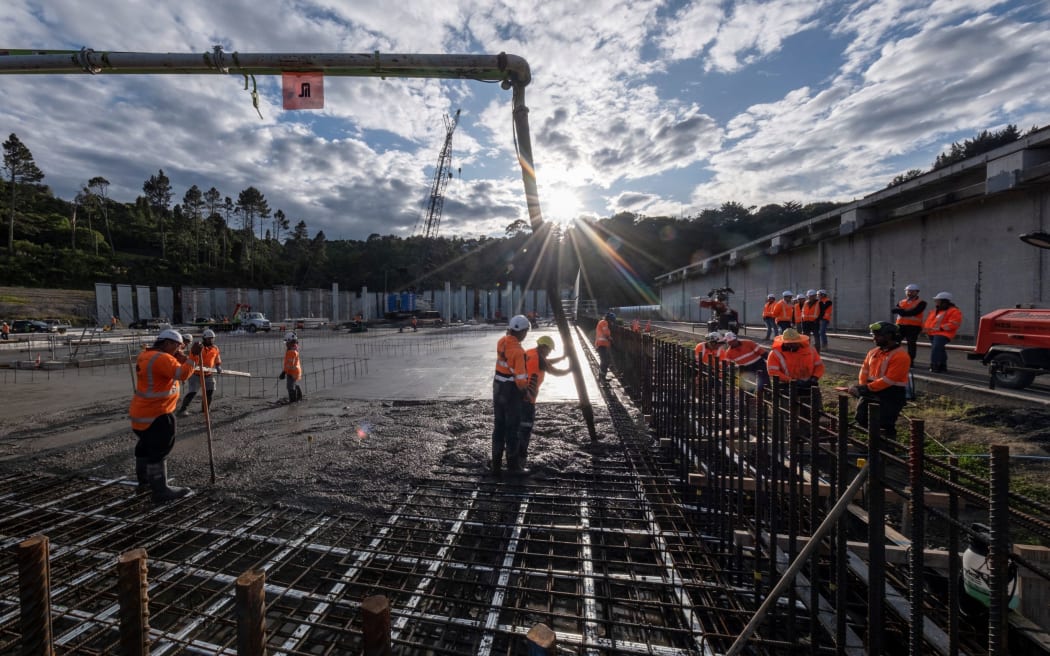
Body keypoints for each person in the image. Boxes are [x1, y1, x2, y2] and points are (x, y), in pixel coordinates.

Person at [128, 329, 196, 503]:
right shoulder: (162, 358)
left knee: (145, 446)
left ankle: (144, 480)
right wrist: (192, 357)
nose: (179, 350)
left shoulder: (146, 355)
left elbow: (164, 372)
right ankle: (160, 490)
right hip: (158, 413)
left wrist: (177, 357)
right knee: (159, 450)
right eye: (177, 346)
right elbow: (182, 374)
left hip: (141, 412)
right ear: (167, 343)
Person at [848, 321, 911, 440]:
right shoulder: (873, 352)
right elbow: (864, 371)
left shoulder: (900, 356)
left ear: (889, 336)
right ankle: (875, 444)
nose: (874, 338)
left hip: (891, 394)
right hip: (872, 390)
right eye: (874, 335)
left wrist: (866, 388)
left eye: (877, 335)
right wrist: (862, 387)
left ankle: (887, 448)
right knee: (861, 417)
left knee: (885, 423)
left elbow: (890, 380)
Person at [516, 335, 571, 470]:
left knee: (516, 428)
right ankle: (520, 461)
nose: (549, 352)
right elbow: (553, 370)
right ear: (544, 347)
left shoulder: (531, 353)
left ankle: (513, 457)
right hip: (527, 399)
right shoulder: (539, 358)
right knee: (525, 429)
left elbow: (547, 362)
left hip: (517, 396)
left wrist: (562, 358)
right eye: (549, 350)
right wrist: (570, 370)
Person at [492, 315, 530, 475]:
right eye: (526, 331)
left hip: (498, 387)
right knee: (512, 428)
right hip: (510, 391)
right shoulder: (519, 351)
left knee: (499, 426)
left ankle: (496, 464)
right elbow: (520, 379)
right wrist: (526, 392)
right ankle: (513, 466)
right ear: (521, 332)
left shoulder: (502, 341)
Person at [766, 328, 824, 404]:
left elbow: (819, 366)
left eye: (794, 343)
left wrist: (814, 377)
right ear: (784, 342)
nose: (792, 345)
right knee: (787, 409)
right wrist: (791, 380)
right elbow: (773, 371)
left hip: (808, 384)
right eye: (789, 343)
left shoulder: (810, 349)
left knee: (813, 408)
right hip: (786, 385)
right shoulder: (775, 353)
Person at [178, 329, 222, 416]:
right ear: (204, 339)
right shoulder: (198, 347)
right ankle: (182, 410)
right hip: (196, 374)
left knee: (210, 391)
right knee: (193, 392)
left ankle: (205, 409)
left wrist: (218, 365)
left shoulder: (215, 348)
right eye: (209, 339)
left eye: (212, 339)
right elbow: (192, 357)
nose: (211, 340)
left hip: (208, 374)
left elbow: (217, 358)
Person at [924, 291, 963, 373]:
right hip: (933, 334)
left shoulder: (954, 311)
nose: (936, 301)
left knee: (936, 349)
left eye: (937, 300)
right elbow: (929, 322)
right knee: (940, 349)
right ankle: (942, 366)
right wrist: (927, 331)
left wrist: (941, 328)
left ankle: (935, 365)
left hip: (943, 334)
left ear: (944, 301)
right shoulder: (936, 310)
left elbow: (954, 323)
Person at [892, 284, 926, 365]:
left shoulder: (921, 303)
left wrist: (902, 312)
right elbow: (894, 310)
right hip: (900, 326)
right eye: (907, 291)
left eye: (911, 291)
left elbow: (915, 312)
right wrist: (904, 312)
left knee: (911, 344)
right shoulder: (902, 302)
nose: (909, 293)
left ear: (917, 292)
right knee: (895, 342)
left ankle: (910, 361)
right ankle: (894, 359)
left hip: (913, 327)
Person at [280, 331, 303, 402]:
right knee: (295, 384)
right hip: (296, 371)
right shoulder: (294, 349)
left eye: (287, 342)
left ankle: (293, 400)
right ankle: (299, 397)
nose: (286, 344)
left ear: (291, 342)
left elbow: (290, 364)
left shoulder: (291, 352)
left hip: (291, 372)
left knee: (290, 387)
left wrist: (284, 372)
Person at [595, 312, 614, 380]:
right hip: (601, 345)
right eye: (611, 320)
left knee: (604, 361)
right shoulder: (604, 322)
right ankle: (601, 378)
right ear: (609, 319)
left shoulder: (604, 323)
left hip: (602, 345)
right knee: (605, 361)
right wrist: (611, 339)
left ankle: (601, 377)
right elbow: (606, 333)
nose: (612, 322)